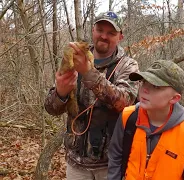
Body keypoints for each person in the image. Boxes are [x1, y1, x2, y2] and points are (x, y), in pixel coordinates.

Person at [44, 11, 139, 180]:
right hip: (76, 163)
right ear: (93, 30)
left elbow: (125, 104)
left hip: (111, 164)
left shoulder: (128, 65)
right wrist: (61, 93)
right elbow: (51, 109)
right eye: (100, 30)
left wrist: (88, 73)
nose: (104, 36)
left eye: (111, 33)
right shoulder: (74, 57)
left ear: (120, 37)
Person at [107, 60, 184, 180]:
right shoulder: (128, 117)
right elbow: (115, 157)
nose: (145, 89)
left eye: (156, 86)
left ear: (174, 98)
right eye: (144, 82)